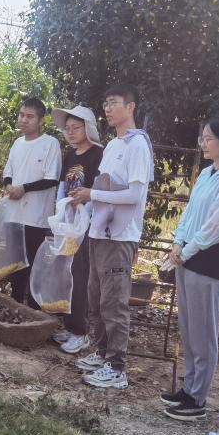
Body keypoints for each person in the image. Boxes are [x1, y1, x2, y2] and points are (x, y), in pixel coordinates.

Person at [163, 115, 219, 421]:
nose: (203, 143)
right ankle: (188, 387)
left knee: (204, 331)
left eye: (209, 138)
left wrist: (187, 249)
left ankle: (197, 397)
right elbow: (190, 214)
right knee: (189, 328)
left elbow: (218, 225)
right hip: (187, 257)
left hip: (209, 261)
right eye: (203, 137)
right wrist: (177, 242)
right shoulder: (206, 174)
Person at [69, 85, 153, 389]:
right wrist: (85, 203)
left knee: (114, 303)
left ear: (130, 107)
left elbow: (134, 195)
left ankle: (117, 368)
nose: (107, 108)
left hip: (120, 237)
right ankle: (103, 353)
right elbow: (104, 189)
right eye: (105, 103)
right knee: (96, 299)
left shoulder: (137, 145)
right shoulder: (113, 145)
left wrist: (92, 194)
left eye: (114, 102)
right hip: (99, 232)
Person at [50, 105, 104, 354]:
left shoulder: (98, 155)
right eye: (68, 128)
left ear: (87, 128)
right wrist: (61, 212)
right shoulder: (70, 155)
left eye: (76, 128)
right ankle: (70, 327)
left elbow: (100, 190)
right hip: (70, 223)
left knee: (81, 276)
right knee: (68, 274)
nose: (71, 132)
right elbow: (63, 187)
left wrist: (84, 211)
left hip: (88, 225)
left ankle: (81, 332)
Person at [2, 97, 61, 308]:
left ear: (41, 120)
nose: (23, 120)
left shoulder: (50, 144)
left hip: (36, 219)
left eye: (30, 116)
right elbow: (8, 172)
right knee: (15, 268)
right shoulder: (17, 143)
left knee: (35, 270)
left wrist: (24, 188)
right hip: (13, 215)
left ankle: (35, 314)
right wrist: (9, 186)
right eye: (21, 115)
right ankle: (15, 309)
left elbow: (52, 179)